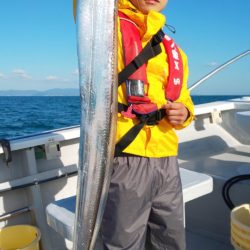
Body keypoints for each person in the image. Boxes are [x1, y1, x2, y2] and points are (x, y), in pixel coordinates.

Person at [74, 0, 194, 249]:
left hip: (168, 162)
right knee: (123, 241)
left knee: (170, 238)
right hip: (125, 160)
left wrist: (185, 113)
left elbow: (183, 97)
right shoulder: (108, 24)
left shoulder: (174, 51)